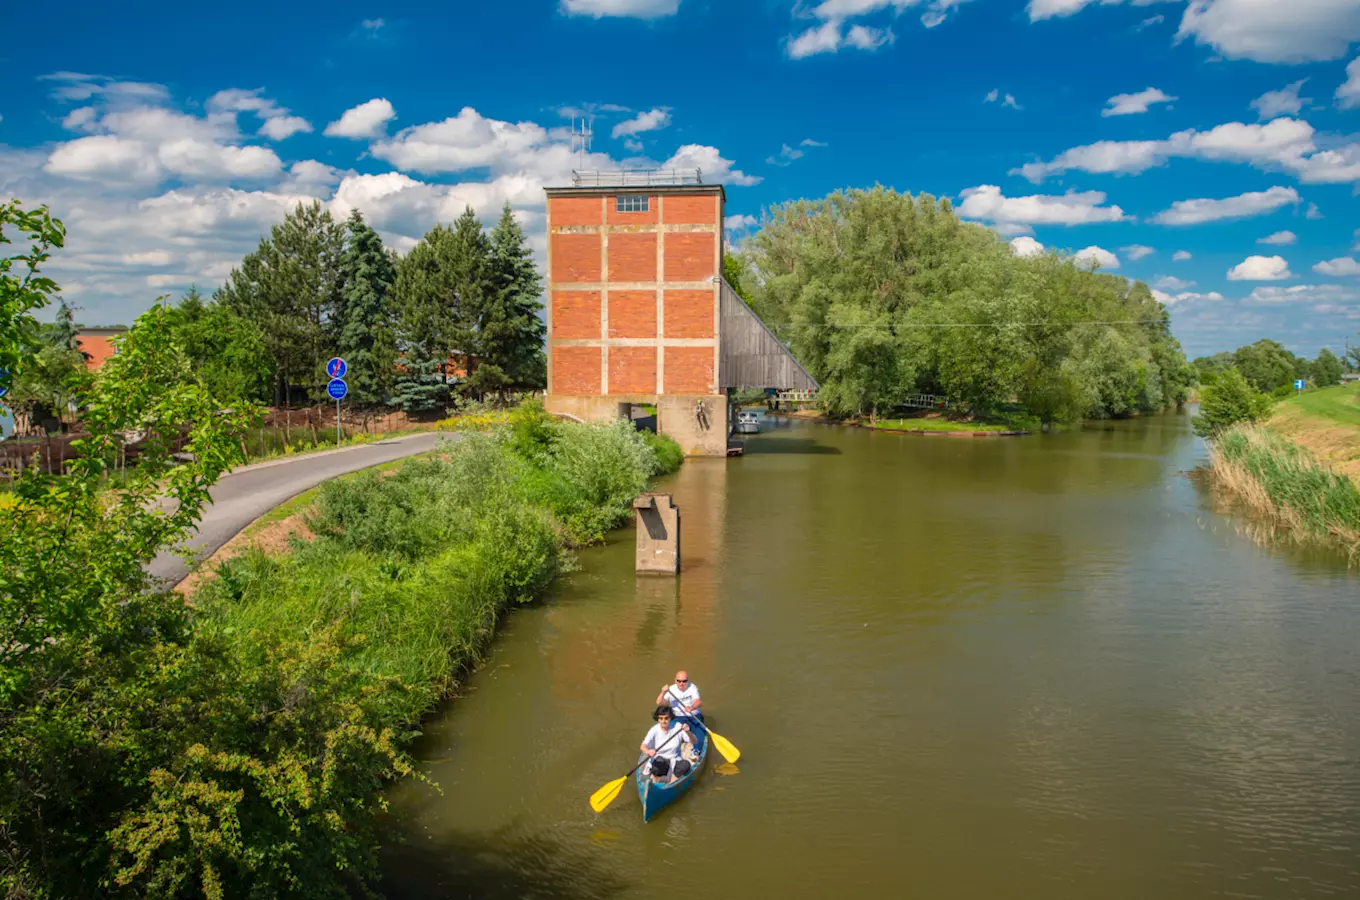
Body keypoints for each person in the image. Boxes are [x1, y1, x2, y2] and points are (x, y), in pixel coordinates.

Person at [640, 705, 693, 784]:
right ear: (658, 719)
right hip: (660, 759)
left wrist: (688, 732)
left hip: (674, 760)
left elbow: (693, 741)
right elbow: (642, 746)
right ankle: (656, 779)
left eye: (666, 718)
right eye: (661, 718)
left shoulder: (678, 726)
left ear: (670, 718)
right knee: (657, 767)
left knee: (686, 765)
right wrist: (648, 752)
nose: (663, 721)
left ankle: (672, 780)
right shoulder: (654, 730)